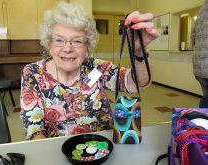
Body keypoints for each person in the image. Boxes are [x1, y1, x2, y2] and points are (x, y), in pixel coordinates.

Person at [20, 1, 159, 140]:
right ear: (49, 45)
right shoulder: (33, 73)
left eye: (77, 41)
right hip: (59, 151)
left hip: (103, 148)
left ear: (87, 49)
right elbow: (35, 132)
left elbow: (137, 83)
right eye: (59, 40)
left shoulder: (96, 68)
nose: (68, 48)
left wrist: (139, 51)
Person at [191, 0, 208, 108]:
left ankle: (202, 123)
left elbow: (193, 37)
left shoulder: (202, 10)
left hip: (199, 65)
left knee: (206, 97)